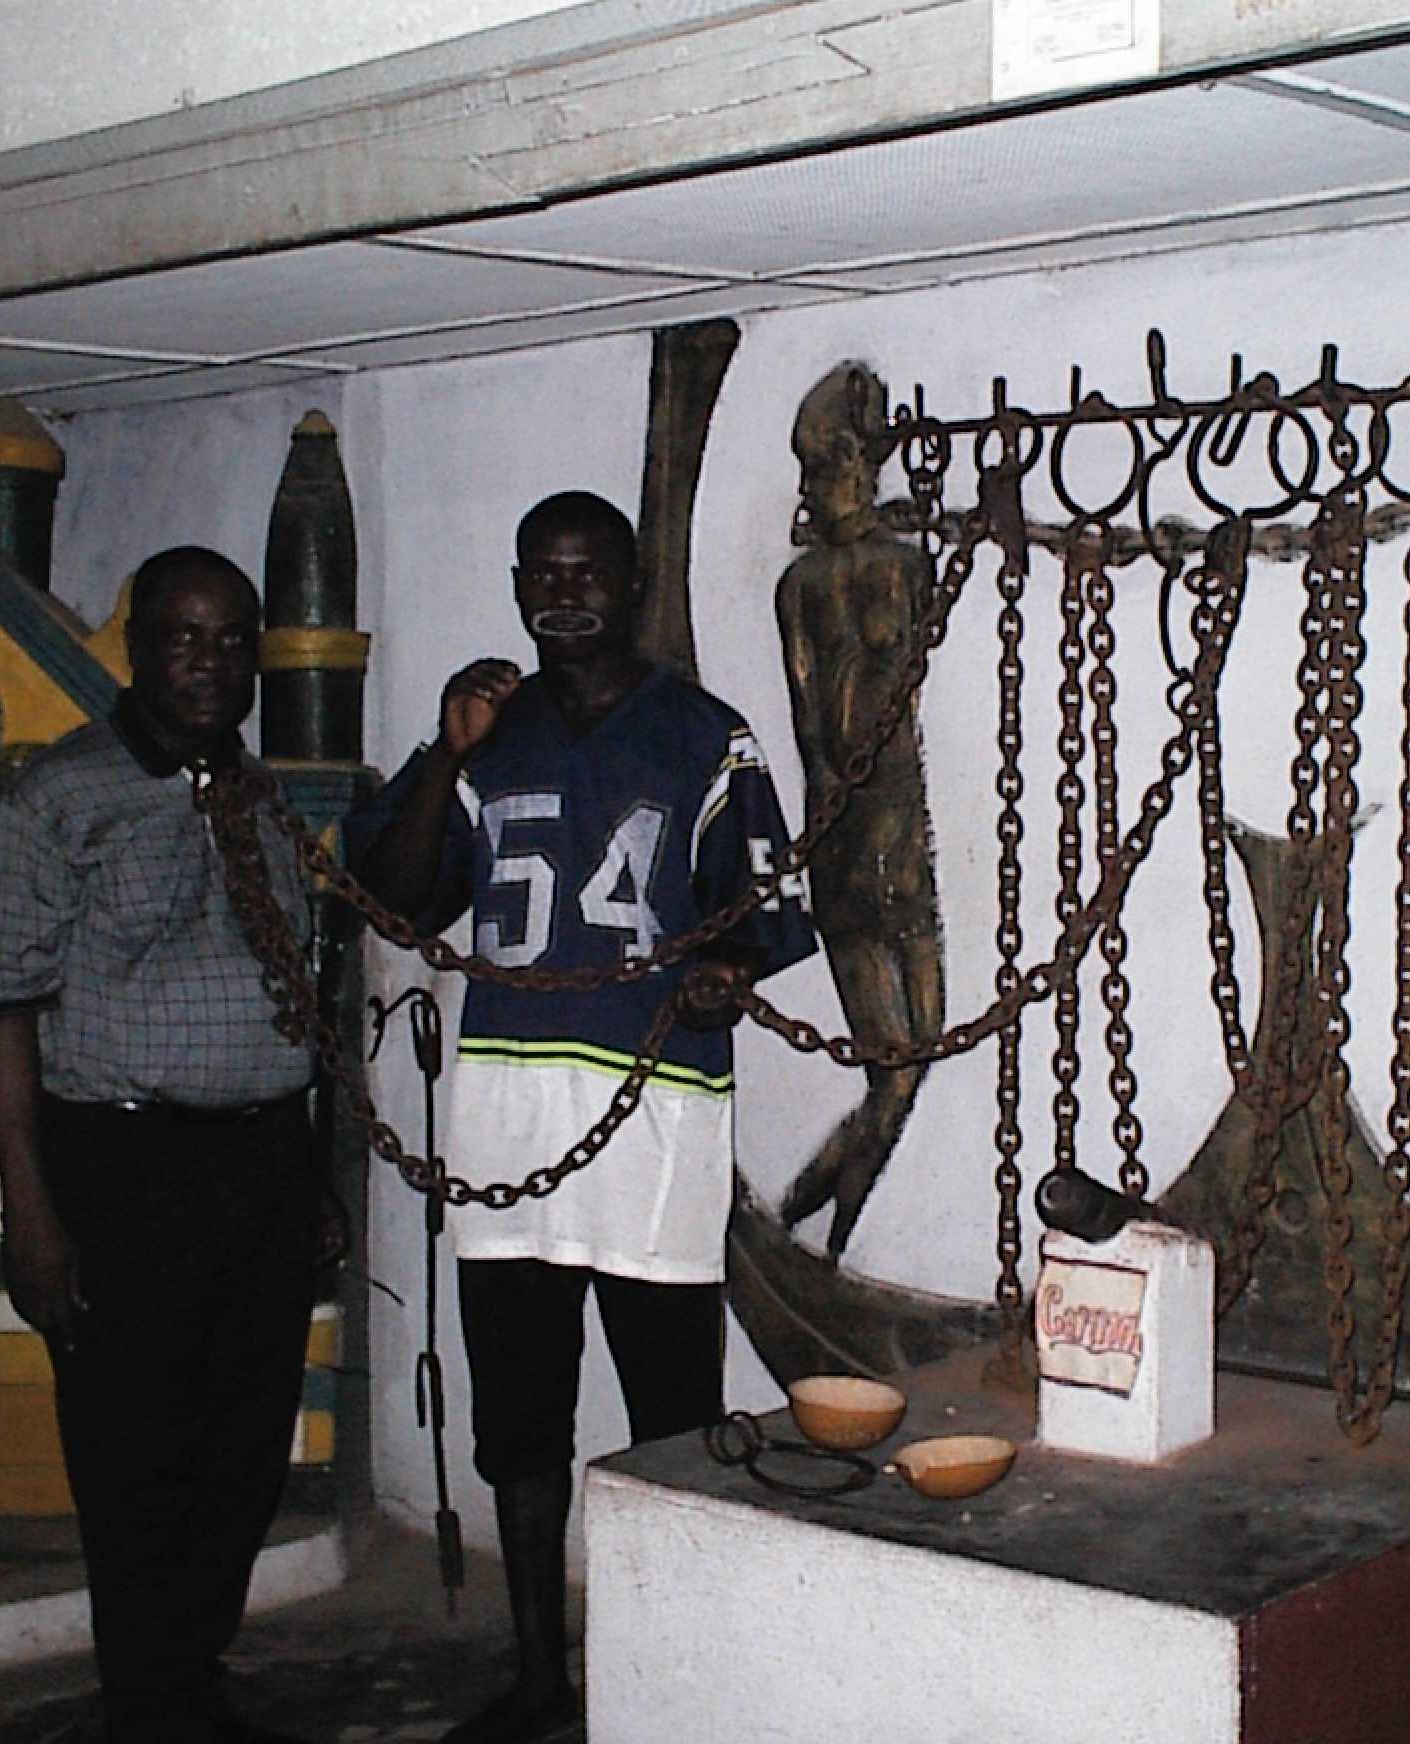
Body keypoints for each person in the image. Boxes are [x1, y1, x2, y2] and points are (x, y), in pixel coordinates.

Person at [351, 490, 817, 1743]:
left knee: (667, 1407)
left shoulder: (703, 737)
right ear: (518, 589)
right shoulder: (488, 741)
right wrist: (447, 750)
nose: (567, 594)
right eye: (544, 575)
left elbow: (762, 915)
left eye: (589, 571)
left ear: (631, 582)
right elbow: (394, 902)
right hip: (505, 1121)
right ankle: (539, 1674)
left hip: (652, 1118)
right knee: (521, 1416)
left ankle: (667, 1669)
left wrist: (726, 974)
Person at [0, 546, 319, 1744]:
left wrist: (307, 1169)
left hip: (260, 1167)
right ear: (136, 647)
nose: (210, 662)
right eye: (184, 637)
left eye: (232, 641)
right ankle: (153, 1707)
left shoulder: (261, 793)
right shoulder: (61, 797)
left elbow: (292, 988)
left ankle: (186, 1678)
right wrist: (32, 1211)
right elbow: (4, 1006)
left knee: (245, 1452)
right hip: (121, 1169)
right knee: (135, 1462)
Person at [773, 361, 946, 1260]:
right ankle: (822, 1227)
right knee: (896, 1067)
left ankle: (811, 1219)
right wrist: (822, 839)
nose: (818, 482)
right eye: (812, 466)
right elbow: (811, 727)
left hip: (901, 843)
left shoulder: (903, 565)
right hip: (848, 850)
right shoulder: (801, 587)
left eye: (833, 461)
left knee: (913, 1065)